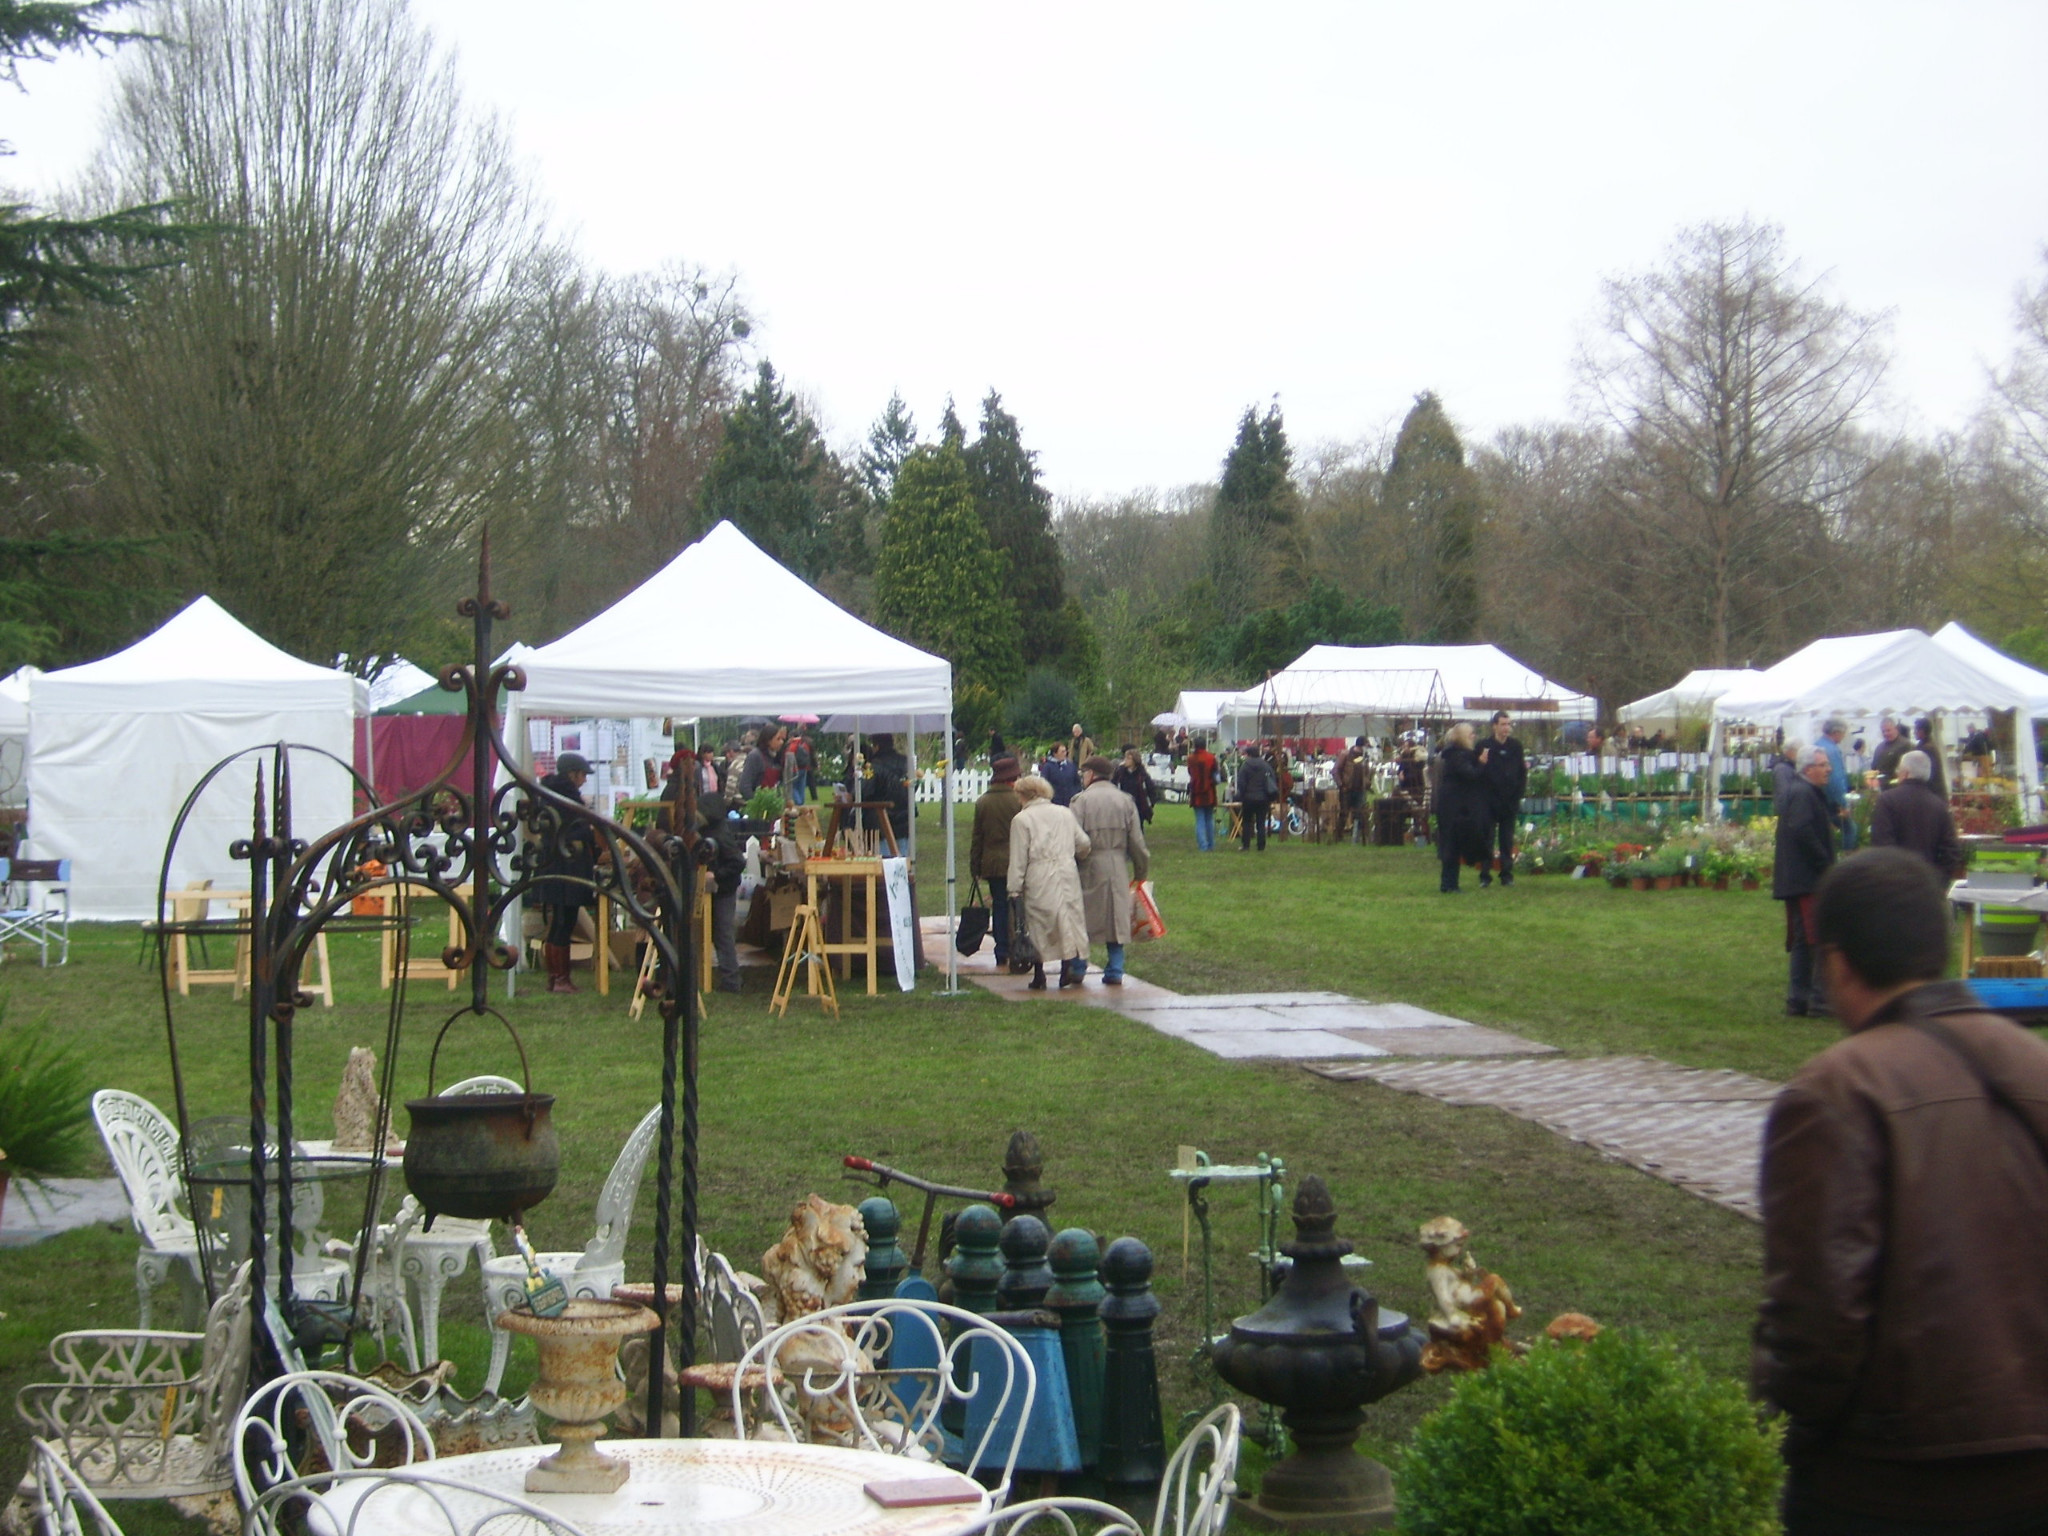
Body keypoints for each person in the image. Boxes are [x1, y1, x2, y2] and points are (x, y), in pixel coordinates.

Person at [1755, 847, 2048, 1536]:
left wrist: (1794, 1433)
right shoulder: (2033, 1063)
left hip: (1894, 1476)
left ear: (1839, 961)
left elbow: (1820, 1311)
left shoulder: (1835, 1091)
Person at [1071, 756, 1151, 987]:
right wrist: (1141, 872)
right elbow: (1137, 841)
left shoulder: (1080, 801)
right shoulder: (1125, 801)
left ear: (1093, 774)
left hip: (1088, 864)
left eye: (1084, 773)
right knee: (1116, 917)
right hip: (1116, 863)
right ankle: (1115, 969)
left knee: (1082, 916)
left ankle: (1078, 966)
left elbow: (1073, 836)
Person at [1007, 772, 1091, 990]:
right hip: (1066, 871)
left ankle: (1039, 974)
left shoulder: (1021, 820)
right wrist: (1073, 855)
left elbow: (1018, 858)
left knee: (1038, 923)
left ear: (1023, 795)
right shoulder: (1064, 813)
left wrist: (1014, 888)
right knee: (1067, 917)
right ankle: (1066, 968)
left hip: (1039, 873)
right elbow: (1084, 843)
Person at [1775, 744, 1837, 1017]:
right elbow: (1801, 830)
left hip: (1801, 878)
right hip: (1807, 879)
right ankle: (1818, 1000)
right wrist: (1824, 862)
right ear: (1808, 768)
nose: (1828, 769)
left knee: (1805, 939)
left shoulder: (1805, 791)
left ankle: (1798, 999)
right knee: (1818, 938)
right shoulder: (1803, 793)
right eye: (1823, 765)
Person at [535, 751, 597, 994]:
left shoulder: (552, 794)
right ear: (573, 774)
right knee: (564, 921)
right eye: (582, 775)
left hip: (555, 863)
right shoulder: (566, 797)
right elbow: (574, 830)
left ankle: (556, 977)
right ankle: (560, 979)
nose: (583, 780)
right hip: (566, 864)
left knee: (559, 922)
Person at [1870, 750, 1962, 878]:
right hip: (1928, 884)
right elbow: (1951, 851)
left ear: (1905, 773)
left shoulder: (1886, 801)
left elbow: (1881, 845)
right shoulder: (1939, 806)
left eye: (1899, 770)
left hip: (1894, 885)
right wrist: (1938, 882)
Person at [969, 755, 1023, 968]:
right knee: (1018, 905)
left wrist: (975, 866)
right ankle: (1018, 945)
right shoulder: (1018, 800)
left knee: (999, 906)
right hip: (1016, 861)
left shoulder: (983, 802)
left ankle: (1001, 950)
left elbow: (977, 837)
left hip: (991, 862)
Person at [692, 805, 746, 992]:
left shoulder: (719, 836)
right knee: (719, 934)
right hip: (719, 888)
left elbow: (739, 861)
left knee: (723, 933)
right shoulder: (710, 830)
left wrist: (717, 875)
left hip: (725, 889)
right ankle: (728, 979)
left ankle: (731, 982)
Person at [1431, 723, 1487, 894]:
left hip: (1453, 804)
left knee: (1453, 844)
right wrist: (1481, 763)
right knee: (1451, 844)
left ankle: (1451, 883)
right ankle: (1448, 884)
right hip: (1453, 806)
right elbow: (1470, 775)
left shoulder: (1455, 754)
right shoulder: (1458, 755)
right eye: (1470, 734)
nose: (1474, 736)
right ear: (1462, 736)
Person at [1476, 711, 1527, 887]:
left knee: (1507, 839)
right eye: (1503, 724)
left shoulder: (1515, 746)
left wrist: (1518, 794)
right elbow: (1477, 771)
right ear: (1495, 726)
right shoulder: (1484, 745)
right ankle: (1485, 875)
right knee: (1487, 838)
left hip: (1509, 801)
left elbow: (1521, 772)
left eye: (1509, 724)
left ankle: (1506, 874)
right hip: (1488, 801)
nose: (1507, 728)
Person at [1818, 718, 1857, 852]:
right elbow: (1835, 779)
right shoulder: (1832, 750)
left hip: (1818, 797)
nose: (1843, 736)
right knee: (1850, 829)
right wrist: (1843, 804)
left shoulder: (1816, 745)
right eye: (1843, 733)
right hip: (1832, 800)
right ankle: (1846, 862)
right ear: (1836, 732)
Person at [1236, 743, 1278, 852]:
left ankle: (1246, 845)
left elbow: (1241, 783)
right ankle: (1261, 846)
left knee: (1247, 822)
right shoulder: (1265, 765)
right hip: (1263, 798)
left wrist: (1242, 794)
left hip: (1248, 798)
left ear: (1248, 754)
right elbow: (1272, 779)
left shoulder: (1245, 766)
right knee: (1260, 822)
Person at [1186, 735, 1220, 851]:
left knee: (1199, 819)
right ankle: (1211, 844)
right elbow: (1215, 773)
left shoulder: (1191, 758)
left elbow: (1190, 772)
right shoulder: (1211, 757)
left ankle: (1203, 846)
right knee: (1209, 819)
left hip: (1196, 791)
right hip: (1209, 790)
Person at [739, 725, 786, 799]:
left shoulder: (775, 756)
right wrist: (756, 804)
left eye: (782, 739)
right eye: (778, 739)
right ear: (768, 741)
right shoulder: (755, 756)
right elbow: (744, 786)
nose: (781, 742)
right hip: (758, 805)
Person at [1337, 737, 1369, 844]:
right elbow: (1336, 770)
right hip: (1347, 789)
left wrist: (1367, 782)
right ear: (1361, 745)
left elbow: (1366, 772)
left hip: (1359, 790)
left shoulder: (1364, 757)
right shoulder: (1346, 755)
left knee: (1359, 814)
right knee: (1344, 814)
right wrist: (1341, 785)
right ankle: (1338, 837)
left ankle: (1357, 837)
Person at [1111, 748, 1155, 825]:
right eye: (1125, 758)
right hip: (1123, 804)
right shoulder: (1120, 772)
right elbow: (1113, 784)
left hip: (1138, 804)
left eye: (1128, 758)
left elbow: (1150, 788)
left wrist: (1151, 803)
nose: (1125, 760)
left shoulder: (1142, 774)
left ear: (1135, 760)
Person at [1870, 715, 1911, 788]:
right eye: (1883, 731)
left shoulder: (1906, 745)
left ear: (1896, 729)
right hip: (1882, 788)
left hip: (1900, 788)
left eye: (1888, 730)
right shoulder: (1879, 747)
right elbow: (1874, 768)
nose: (1885, 733)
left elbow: (1910, 769)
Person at [1912, 717, 1947, 797]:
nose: (1914, 732)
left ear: (1922, 731)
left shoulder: (1927, 748)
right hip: (1934, 791)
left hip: (1933, 792)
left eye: (1916, 730)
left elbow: (1920, 771)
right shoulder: (1927, 744)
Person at [1040, 740, 1081, 807]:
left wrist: (1075, 794)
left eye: (1065, 751)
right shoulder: (1047, 767)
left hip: (1070, 802)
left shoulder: (1071, 765)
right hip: (1054, 803)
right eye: (1062, 752)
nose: (1065, 753)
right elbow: (1044, 784)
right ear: (1055, 753)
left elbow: (1077, 782)